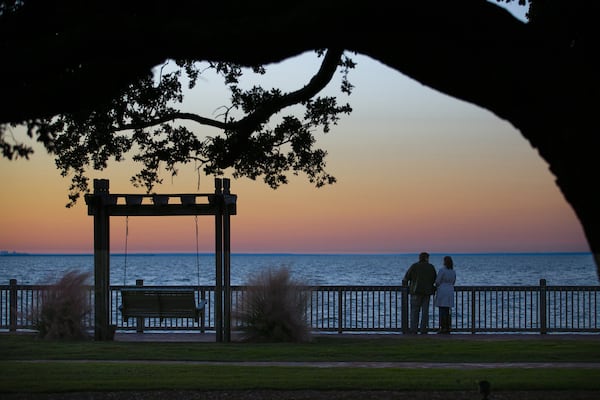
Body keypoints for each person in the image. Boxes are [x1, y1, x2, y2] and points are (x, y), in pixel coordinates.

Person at [402, 252, 437, 334]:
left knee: (414, 311)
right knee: (425, 312)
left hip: (415, 292)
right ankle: (423, 330)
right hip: (427, 292)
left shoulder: (414, 266)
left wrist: (405, 287)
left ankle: (413, 330)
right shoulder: (431, 267)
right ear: (427, 258)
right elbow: (435, 279)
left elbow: (406, 277)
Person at [434, 255, 456, 334]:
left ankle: (442, 327)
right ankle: (448, 327)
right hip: (450, 290)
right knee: (447, 310)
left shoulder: (442, 270)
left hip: (442, 290)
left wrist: (436, 286)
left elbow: (437, 281)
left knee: (442, 310)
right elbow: (453, 282)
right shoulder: (453, 271)